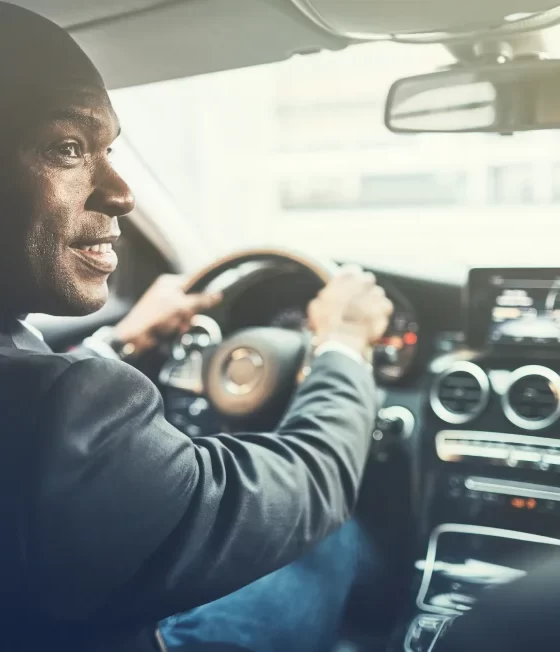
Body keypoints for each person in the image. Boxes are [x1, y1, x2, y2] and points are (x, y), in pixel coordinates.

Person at [0, 4, 394, 652]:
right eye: (68, 147)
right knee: (333, 535)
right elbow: (308, 484)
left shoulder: (36, 393)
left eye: (110, 150)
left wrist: (119, 345)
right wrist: (345, 346)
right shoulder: (51, 411)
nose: (122, 192)